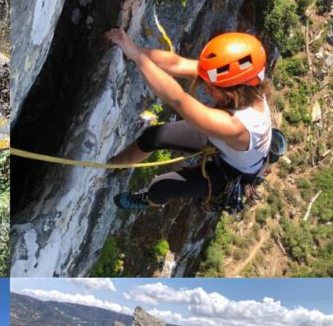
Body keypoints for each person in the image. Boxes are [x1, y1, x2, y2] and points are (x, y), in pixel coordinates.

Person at [106, 30, 273, 211]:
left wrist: (138, 57)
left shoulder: (235, 126)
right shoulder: (245, 84)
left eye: (211, 87)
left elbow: (178, 99)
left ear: (233, 92)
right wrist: (130, 47)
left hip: (231, 172)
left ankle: (147, 199)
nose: (206, 88)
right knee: (153, 137)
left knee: (162, 187)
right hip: (227, 145)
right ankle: (114, 165)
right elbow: (177, 64)